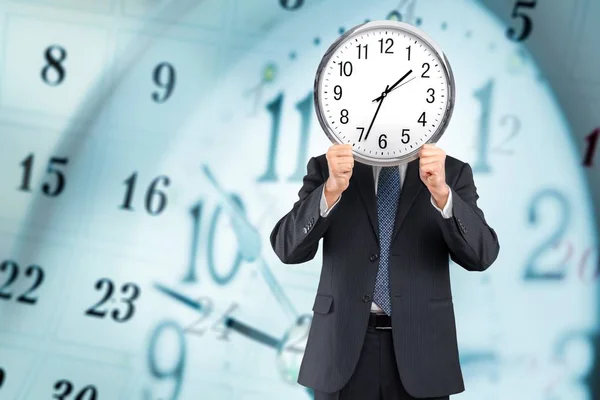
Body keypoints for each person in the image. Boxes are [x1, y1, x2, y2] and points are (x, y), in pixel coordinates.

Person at [270, 143, 500, 400]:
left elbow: (482, 255)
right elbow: (286, 249)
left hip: (422, 352)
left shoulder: (451, 172)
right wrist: (329, 191)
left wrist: (443, 195)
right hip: (341, 348)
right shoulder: (329, 167)